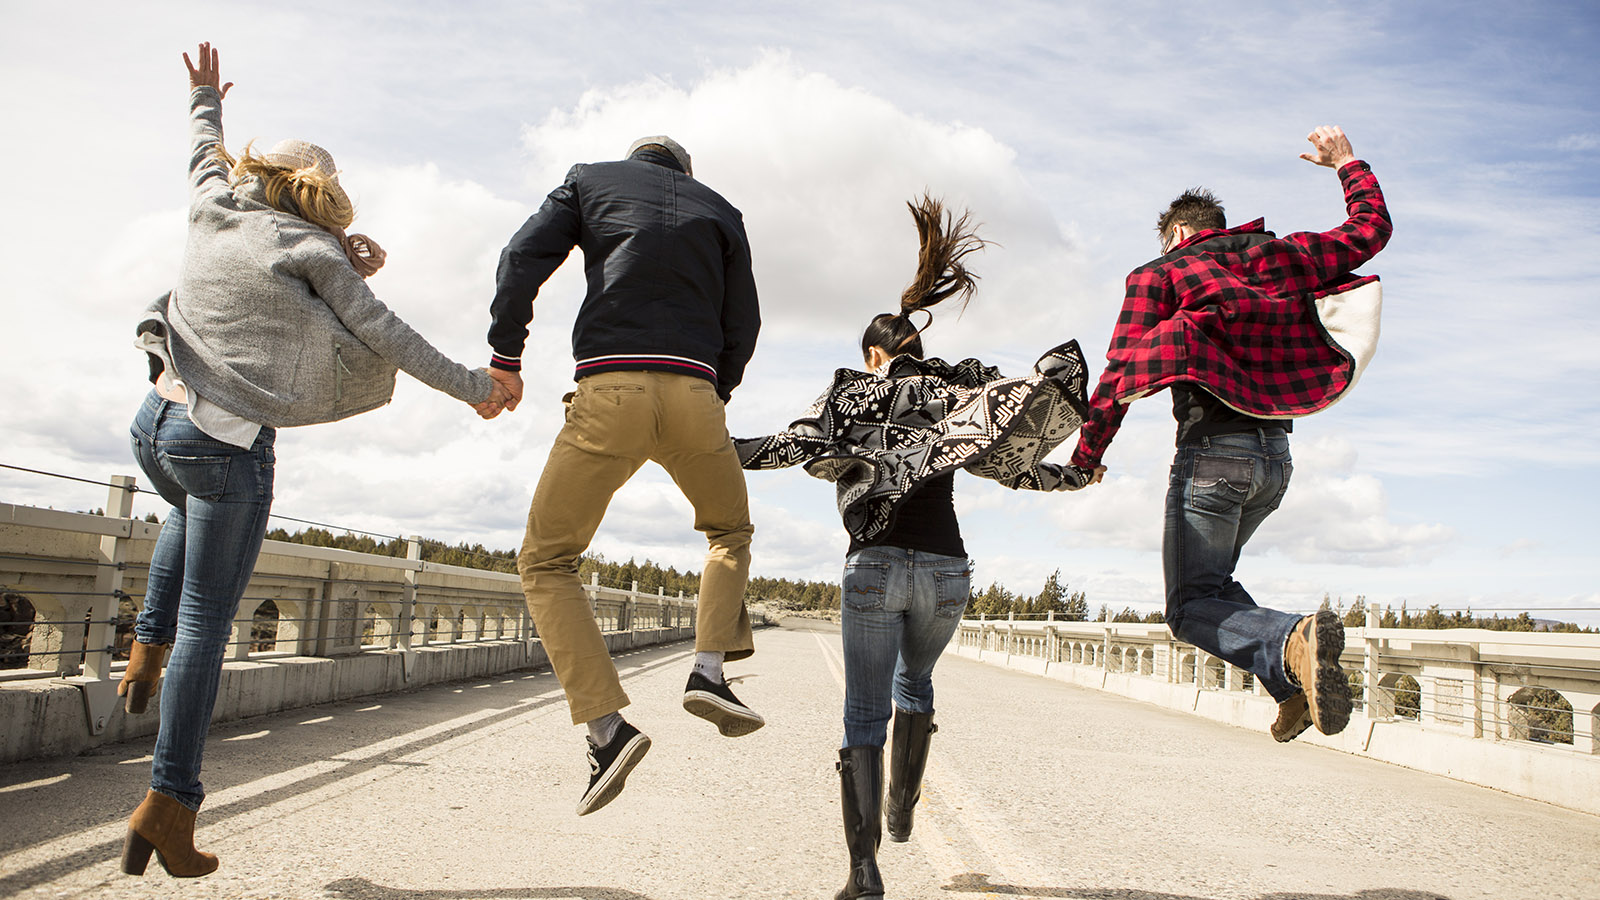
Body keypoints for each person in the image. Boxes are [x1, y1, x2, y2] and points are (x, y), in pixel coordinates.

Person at [117, 43, 504, 878]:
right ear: (322, 199)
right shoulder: (315, 253)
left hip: (154, 427)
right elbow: (384, 334)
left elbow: (200, 151)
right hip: (224, 450)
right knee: (206, 629)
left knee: (179, 511)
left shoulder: (216, 203)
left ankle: (141, 646)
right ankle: (167, 801)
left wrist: (204, 96)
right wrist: (474, 387)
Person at [738, 195, 1101, 900]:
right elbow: (1013, 464)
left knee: (863, 714)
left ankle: (865, 870)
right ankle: (903, 808)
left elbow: (793, 445)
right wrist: (1075, 475)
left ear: (873, 355)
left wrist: (708, 444)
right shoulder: (951, 393)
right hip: (945, 573)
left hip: (874, 565)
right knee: (917, 686)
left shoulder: (851, 394)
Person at [1069, 126, 1393, 742]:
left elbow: (1117, 375)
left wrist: (1087, 460)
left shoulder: (1160, 274)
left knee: (1189, 608)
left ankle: (1291, 637)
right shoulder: (1285, 254)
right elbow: (1371, 230)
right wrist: (1347, 164)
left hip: (1213, 458)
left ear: (1179, 235)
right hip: (1276, 461)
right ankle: (1289, 684)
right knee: (1214, 585)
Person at [484, 133, 763, 816]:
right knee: (729, 532)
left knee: (547, 561)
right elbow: (744, 320)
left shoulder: (588, 181)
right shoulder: (722, 210)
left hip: (609, 391)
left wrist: (506, 353)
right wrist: (711, 393)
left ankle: (607, 732)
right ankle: (709, 672)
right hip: (696, 396)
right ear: (686, 172)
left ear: (635, 162)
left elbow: (522, 257)